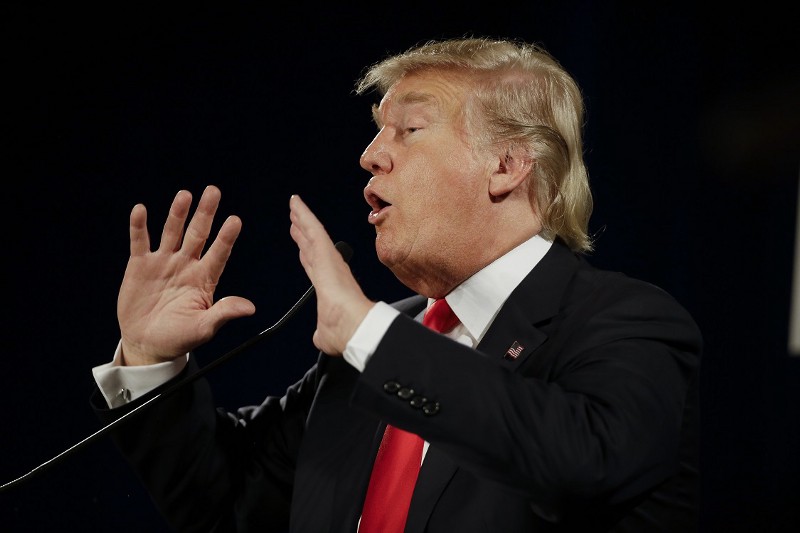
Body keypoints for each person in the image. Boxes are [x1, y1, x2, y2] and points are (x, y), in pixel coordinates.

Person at [91, 36, 702, 532]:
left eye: (409, 130)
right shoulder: (375, 348)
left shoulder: (627, 323)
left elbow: (580, 462)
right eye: (378, 131)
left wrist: (370, 336)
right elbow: (231, 506)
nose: (370, 155)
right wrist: (152, 361)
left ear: (508, 165)